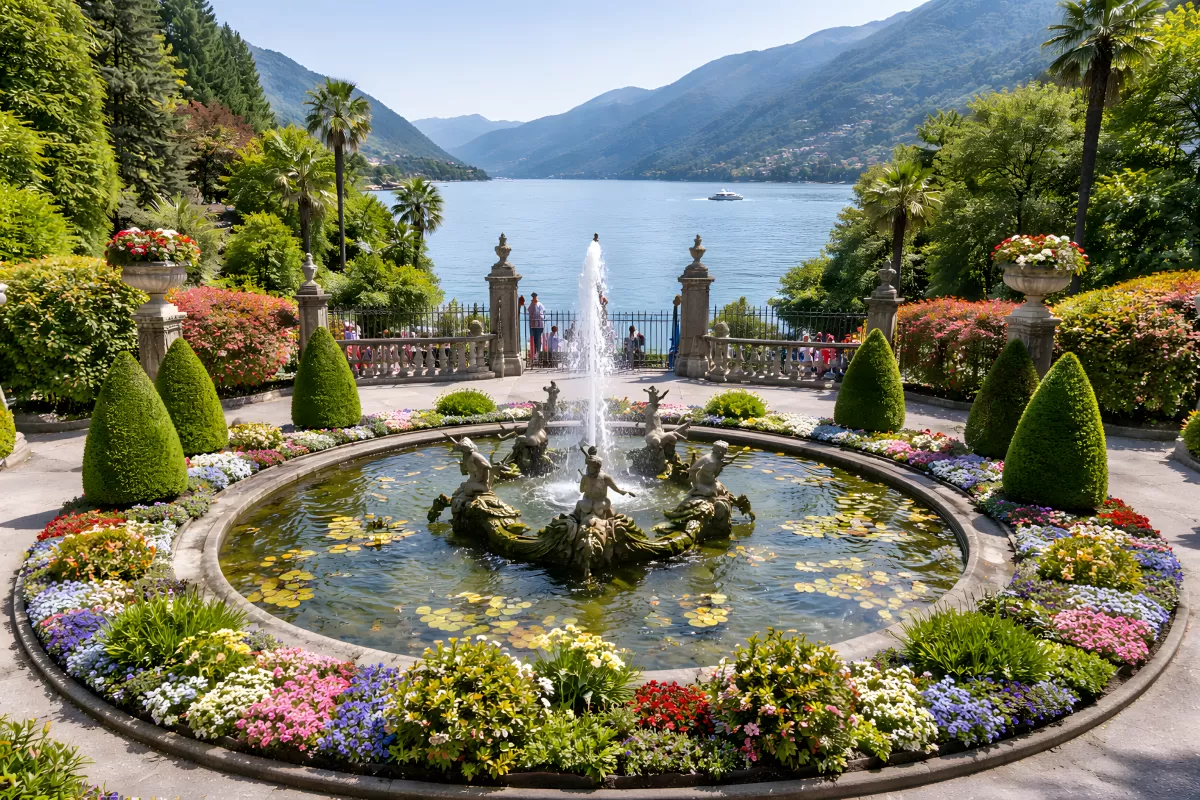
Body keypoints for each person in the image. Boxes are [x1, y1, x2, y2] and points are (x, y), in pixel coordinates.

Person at [527, 292, 546, 365]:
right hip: (534, 325)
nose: (534, 298)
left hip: (539, 325)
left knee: (538, 339)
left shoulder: (540, 304)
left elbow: (543, 312)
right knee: (534, 340)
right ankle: (535, 354)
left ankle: (537, 354)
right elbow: (530, 311)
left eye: (535, 297)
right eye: (533, 297)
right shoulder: (532, 305)